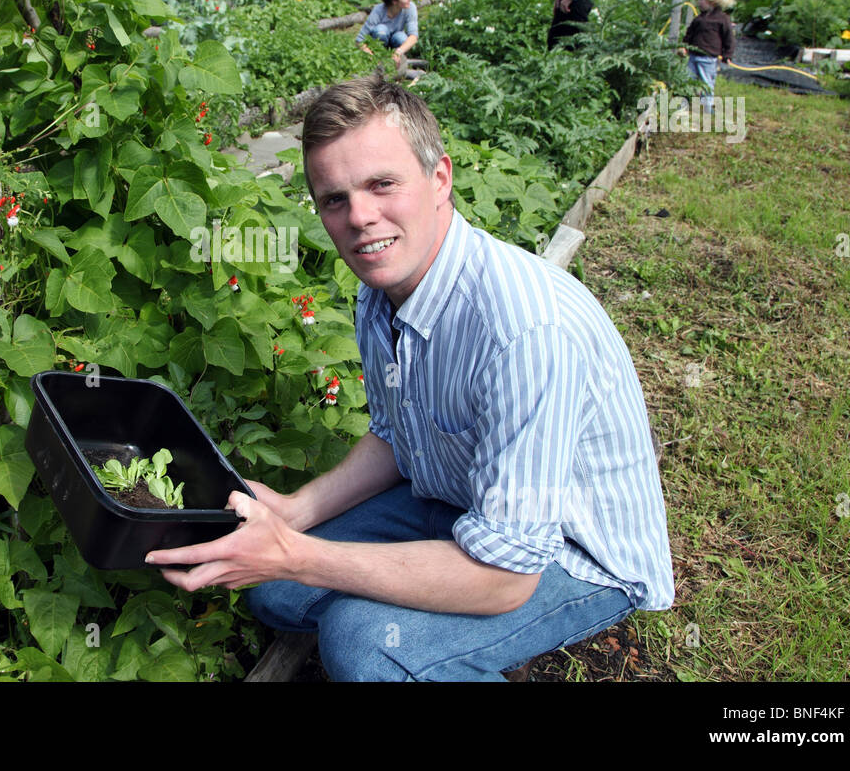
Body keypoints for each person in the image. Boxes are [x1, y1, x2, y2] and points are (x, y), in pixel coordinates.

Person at [145, 75, 675, 682]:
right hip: (465, 498)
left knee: (364, 644)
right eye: (334, 199)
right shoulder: (382, 294)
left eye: (382, 185)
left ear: (440, 178)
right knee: (275, 593)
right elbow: (398, 434)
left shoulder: (525, 333)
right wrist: (295, 512)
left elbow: (504, 579)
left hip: (571, 551)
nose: (360, 218)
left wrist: (302, 554)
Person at [677, 0, 736, 111]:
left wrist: (727, 55)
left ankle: (707, 107)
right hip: (693, 56)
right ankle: (683, 104)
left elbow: (729, 38)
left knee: (706, 82)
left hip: (708, 59)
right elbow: (689, 34)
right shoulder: (698, 19)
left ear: (712, 2)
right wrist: (684, 46)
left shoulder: (722, 19)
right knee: (687, 80)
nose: (699, 2)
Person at [356, 0, 418, 68]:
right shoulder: (378, 10)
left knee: (402, 38)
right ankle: (381, 55)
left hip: (396, 42)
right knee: (380, 30)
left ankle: (395, 58)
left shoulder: (410, 8)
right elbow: (360, 40)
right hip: (379, 41)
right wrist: (372, 57)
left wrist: (398, 52)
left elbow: (413, 36)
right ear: (394, 1)